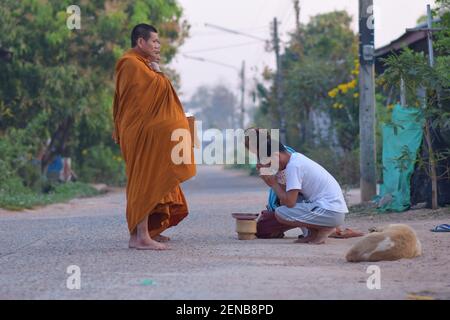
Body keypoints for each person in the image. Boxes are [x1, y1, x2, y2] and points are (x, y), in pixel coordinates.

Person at [112, 24, 196, 250]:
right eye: (155, 41)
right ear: (141, 42)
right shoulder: (130, 65)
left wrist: (155, 69)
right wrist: (157, 72)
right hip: (139, 135)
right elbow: (140, 103)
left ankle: (149, 230)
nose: (158, 45)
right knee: (143, 181)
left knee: (157, 179)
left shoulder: (143, 66)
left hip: (149, 135)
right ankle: (139, 237)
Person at [244, 128, 348, 244]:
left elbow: (289, 203)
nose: (268, 166)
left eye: (268, 163)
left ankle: (325, 229)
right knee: (283, 209)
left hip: (331, 212)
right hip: (329, 210)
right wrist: (276, 178)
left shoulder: (294, 166)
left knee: (281, 213)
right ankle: (313, 233)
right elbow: (286, 200)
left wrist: (273, 184)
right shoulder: (293, 158)